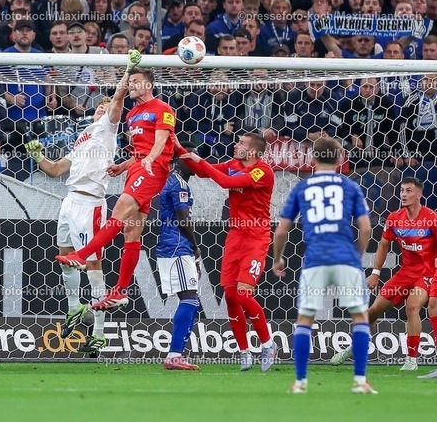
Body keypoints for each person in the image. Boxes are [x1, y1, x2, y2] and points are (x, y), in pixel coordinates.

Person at [26, 59, 135, 352]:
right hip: (69, 201)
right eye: (99, 107)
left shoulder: (108, 129)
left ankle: (99, 332)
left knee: (92, 265)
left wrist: (127, 72)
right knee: (65, 256)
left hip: (90, 204)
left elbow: (119, 97)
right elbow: (55, 170)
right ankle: (74, 307)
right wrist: (38, 157)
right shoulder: (83, 137)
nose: (102, 110)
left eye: (107, 107)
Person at [56, 52, 179, 312]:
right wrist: (124, 165)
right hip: (136, 169)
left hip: (152, 169)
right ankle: (121, 291)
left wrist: (149, 160)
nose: (130, 85)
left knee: (119, 211)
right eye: (129, 82)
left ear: (148, 84)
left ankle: (81, 255)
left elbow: (160, 141)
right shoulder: (132, 115)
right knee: (131, 232)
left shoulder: (163, 109)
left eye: (135, 81)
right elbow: (140, 150)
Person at [272, 137, 376, 394]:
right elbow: (365, 228)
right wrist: (356, 256)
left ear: (313, 158)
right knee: (360, 317)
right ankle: (360, 381)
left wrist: (277, 258)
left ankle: (300, 382)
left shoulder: (302, 187)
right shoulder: (350, 186)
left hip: (315, 260)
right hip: (346, 259)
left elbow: (281, 230)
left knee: (305, 319)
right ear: (340, 158)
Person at [178, 132, 277, 371]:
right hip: (235, 236)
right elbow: (203, 172)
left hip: (256, 238)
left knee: (243, 295)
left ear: (253, 151)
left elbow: (227, 183)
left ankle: (268, 344)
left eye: (241, 143)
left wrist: (200, 161)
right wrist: (179, 147)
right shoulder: (233, 164)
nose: (236, 145)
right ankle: (244, 352)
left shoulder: (262, 172)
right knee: (231, 296)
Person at [331, 178, 437, 371]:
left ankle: (411, 360)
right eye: (402, 190)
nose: (404, 194)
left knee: (412, 307)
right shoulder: (394, 218)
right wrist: (375, 273)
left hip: (427, 273)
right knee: (372, 312)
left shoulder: (431, 218)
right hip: (405, 273)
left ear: (419, 195)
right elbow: (383, 245)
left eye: (409, 191)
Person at [158, 141, 202, 371]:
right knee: (190, 298)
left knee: (189, 298)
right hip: (177, 246)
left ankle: (176, 354)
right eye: (190, 157)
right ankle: (174, 355)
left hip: (172, 246)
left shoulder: (172, 181)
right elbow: (183, 221)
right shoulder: (179, 185)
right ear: (179, 160)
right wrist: (195, 248)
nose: (195, 161)